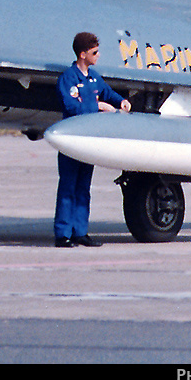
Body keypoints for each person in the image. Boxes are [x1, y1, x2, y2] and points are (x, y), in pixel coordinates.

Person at [54, 32, 130, 248]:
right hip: (72, 141)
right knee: (68, 187)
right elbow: (70, 106)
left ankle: (80, 231)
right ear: (82, 54)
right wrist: (97, 106)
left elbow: (107, 92)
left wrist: (121, 101)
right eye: (94, 52)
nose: (98, 55)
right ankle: (62, 234)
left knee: (83, 188)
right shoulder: (68, 78)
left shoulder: (94, 77)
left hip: (88, 142)